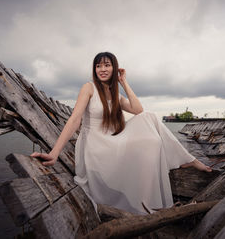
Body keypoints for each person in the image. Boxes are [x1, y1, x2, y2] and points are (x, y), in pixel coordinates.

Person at [31, 52, 212, 215]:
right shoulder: (89, 88)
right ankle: (187, 160)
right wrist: (54, 153)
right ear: (94, 69)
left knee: (149, 122)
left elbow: (138, 110)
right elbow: (74, 120)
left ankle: (154, 194)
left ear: (114, 68)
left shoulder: (116, 95)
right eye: (98, 65)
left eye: (107, 65)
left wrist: (123, 82)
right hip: (96, 147)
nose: (102, 69)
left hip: (113, 141)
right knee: (148, 129)